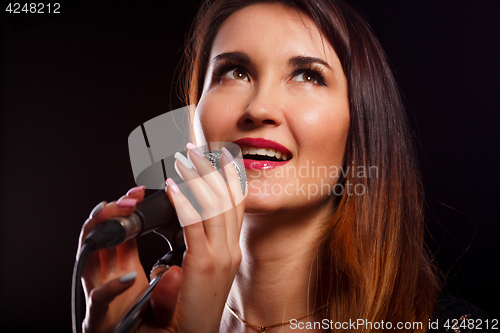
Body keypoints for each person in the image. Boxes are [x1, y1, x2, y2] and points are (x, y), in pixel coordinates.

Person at [77, 0, 491, 332]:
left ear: (361, 127)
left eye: (308, 76)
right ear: (193, 117)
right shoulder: (146, 318)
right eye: (234, 72)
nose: (259, 108)